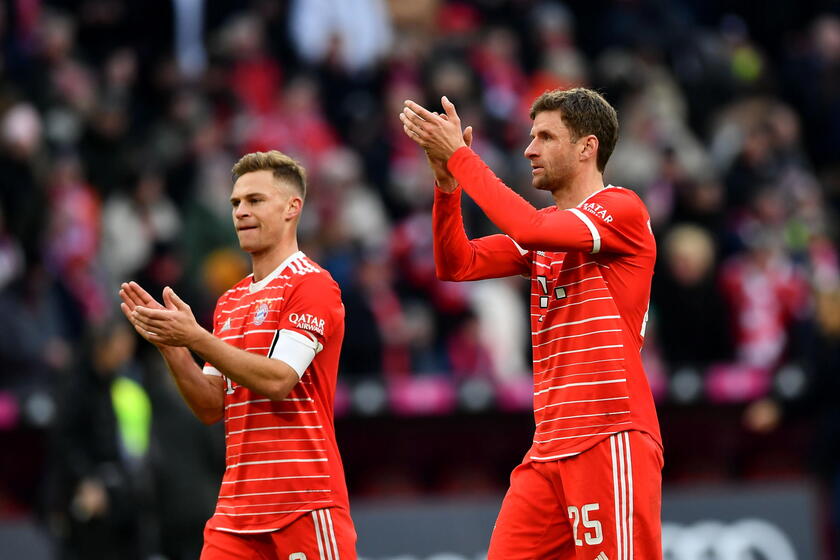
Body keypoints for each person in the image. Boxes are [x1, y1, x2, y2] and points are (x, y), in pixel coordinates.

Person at [400, 89, 663, 559]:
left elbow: (527, 230)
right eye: (530, 135)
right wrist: (446, 186)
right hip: (548, 448)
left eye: (545, 136)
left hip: (609, 434)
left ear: (587, 147)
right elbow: (457, 264)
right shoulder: (547, 226)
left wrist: (461, 156)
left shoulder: (622, 209)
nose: (529, 149)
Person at [119, 150, 356, 559]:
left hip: (303, 503)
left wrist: (196, 338)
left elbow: (280, 380)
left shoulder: (312, 285)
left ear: (292, 208)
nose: (241, 212)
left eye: (255, 200)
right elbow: (212, 406)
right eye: (235, 203)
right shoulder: (229, 301)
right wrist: (173, 349)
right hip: (236, 514)